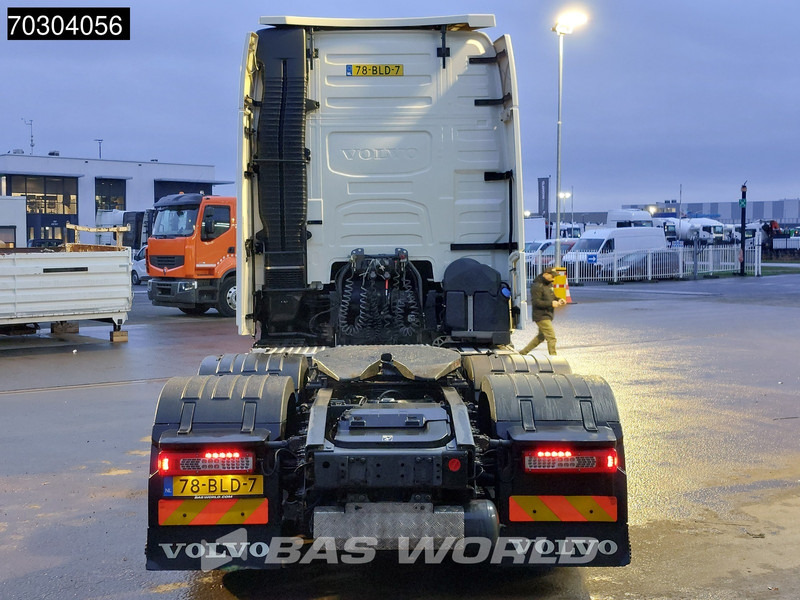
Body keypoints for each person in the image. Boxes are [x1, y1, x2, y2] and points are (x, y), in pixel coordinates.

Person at [519, 267, 566, 355]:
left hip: (548, 314)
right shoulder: (537, 286)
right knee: (551, 337)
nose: (553, 278)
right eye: (552, 276)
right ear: (545, 274)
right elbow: (536, 302)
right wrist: (551, 304)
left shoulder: (548, 284)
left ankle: (523, 352)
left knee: (541, 337)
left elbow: (552, 297)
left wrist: (559, 299)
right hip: (541, 315)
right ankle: (553, 357)